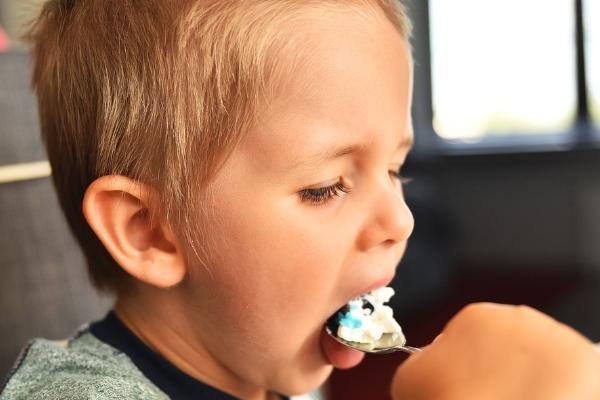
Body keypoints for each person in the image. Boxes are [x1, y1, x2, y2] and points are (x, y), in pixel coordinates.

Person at [1, 1, 599, 399]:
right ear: (149, 230)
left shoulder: (269, 364)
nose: (400, 220)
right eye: (326, 187)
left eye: (395, 169)